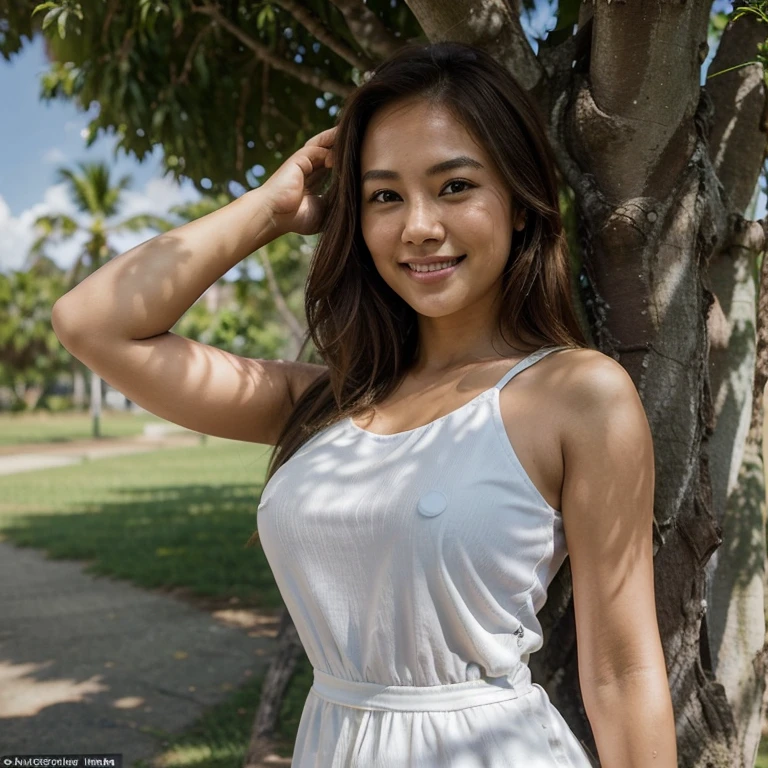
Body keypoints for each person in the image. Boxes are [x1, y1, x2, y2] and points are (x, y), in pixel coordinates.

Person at [52, 41, 676, 768]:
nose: (417, 225)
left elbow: (623, 674)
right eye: (385, 195)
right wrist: (271, 206)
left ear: (519, 205)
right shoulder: (323, 402)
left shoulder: (579, 396)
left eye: (454, 187)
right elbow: (92, 321)